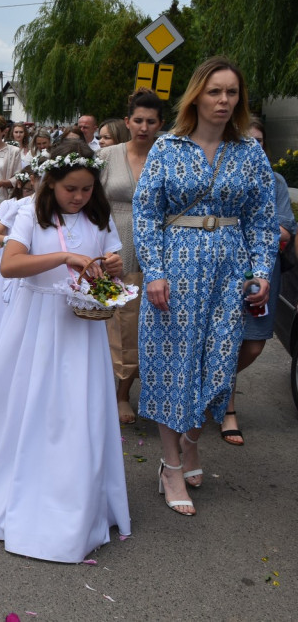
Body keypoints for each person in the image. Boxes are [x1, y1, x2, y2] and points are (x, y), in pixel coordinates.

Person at [0, 140, 130, 562]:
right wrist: (64, 256)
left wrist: (111, 264)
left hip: (83, 325)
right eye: (69, 189)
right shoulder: (30, 213)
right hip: (39, 322)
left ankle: (76, 490)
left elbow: (108, 256)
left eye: (85, 189)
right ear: (50, 184)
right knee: (31, 400)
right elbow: (10, 265)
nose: (78, 197)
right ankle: (16, 478)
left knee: (78, 407)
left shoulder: (98, 216)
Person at [133, 56, 277, 516]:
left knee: (218, 363)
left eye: (232, 92)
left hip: (229, 269)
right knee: (174, 364)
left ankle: (192, 439)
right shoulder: (168, 147)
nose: (223, 100)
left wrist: (262, 271)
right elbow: (146, 213)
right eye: (215, 91)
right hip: (176, 267)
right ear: (197, 95)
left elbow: (262, 219)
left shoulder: (249, 152)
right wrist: (153, 270)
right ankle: (171, 465)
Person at [223, 119, 297, 444]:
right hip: (225, 270)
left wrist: (251, 228)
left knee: (252, 345)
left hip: (259, 271)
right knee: (226, 338)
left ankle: (213, 383)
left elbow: (283, 231)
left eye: (259, 142)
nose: (254, 148)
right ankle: (228, 409)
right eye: (246, 141)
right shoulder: (220, 178)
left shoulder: (274, 180)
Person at [98, 88, 163, 425]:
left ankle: (123, 393)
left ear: (160, 124)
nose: (144, 127)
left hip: (152, 248)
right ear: (128, 121)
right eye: (138, 120)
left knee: (135, 323)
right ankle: (95, 388)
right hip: (110, 244)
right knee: (103, 316)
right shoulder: (108, 157)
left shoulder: (166, 156)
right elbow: (88, 198)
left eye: (151, 121)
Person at [0, 169, 37, 369]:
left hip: (37, 269)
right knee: (10, 313)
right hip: (16, 266)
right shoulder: (20, 206)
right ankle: (2, 362)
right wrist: (15, 242)